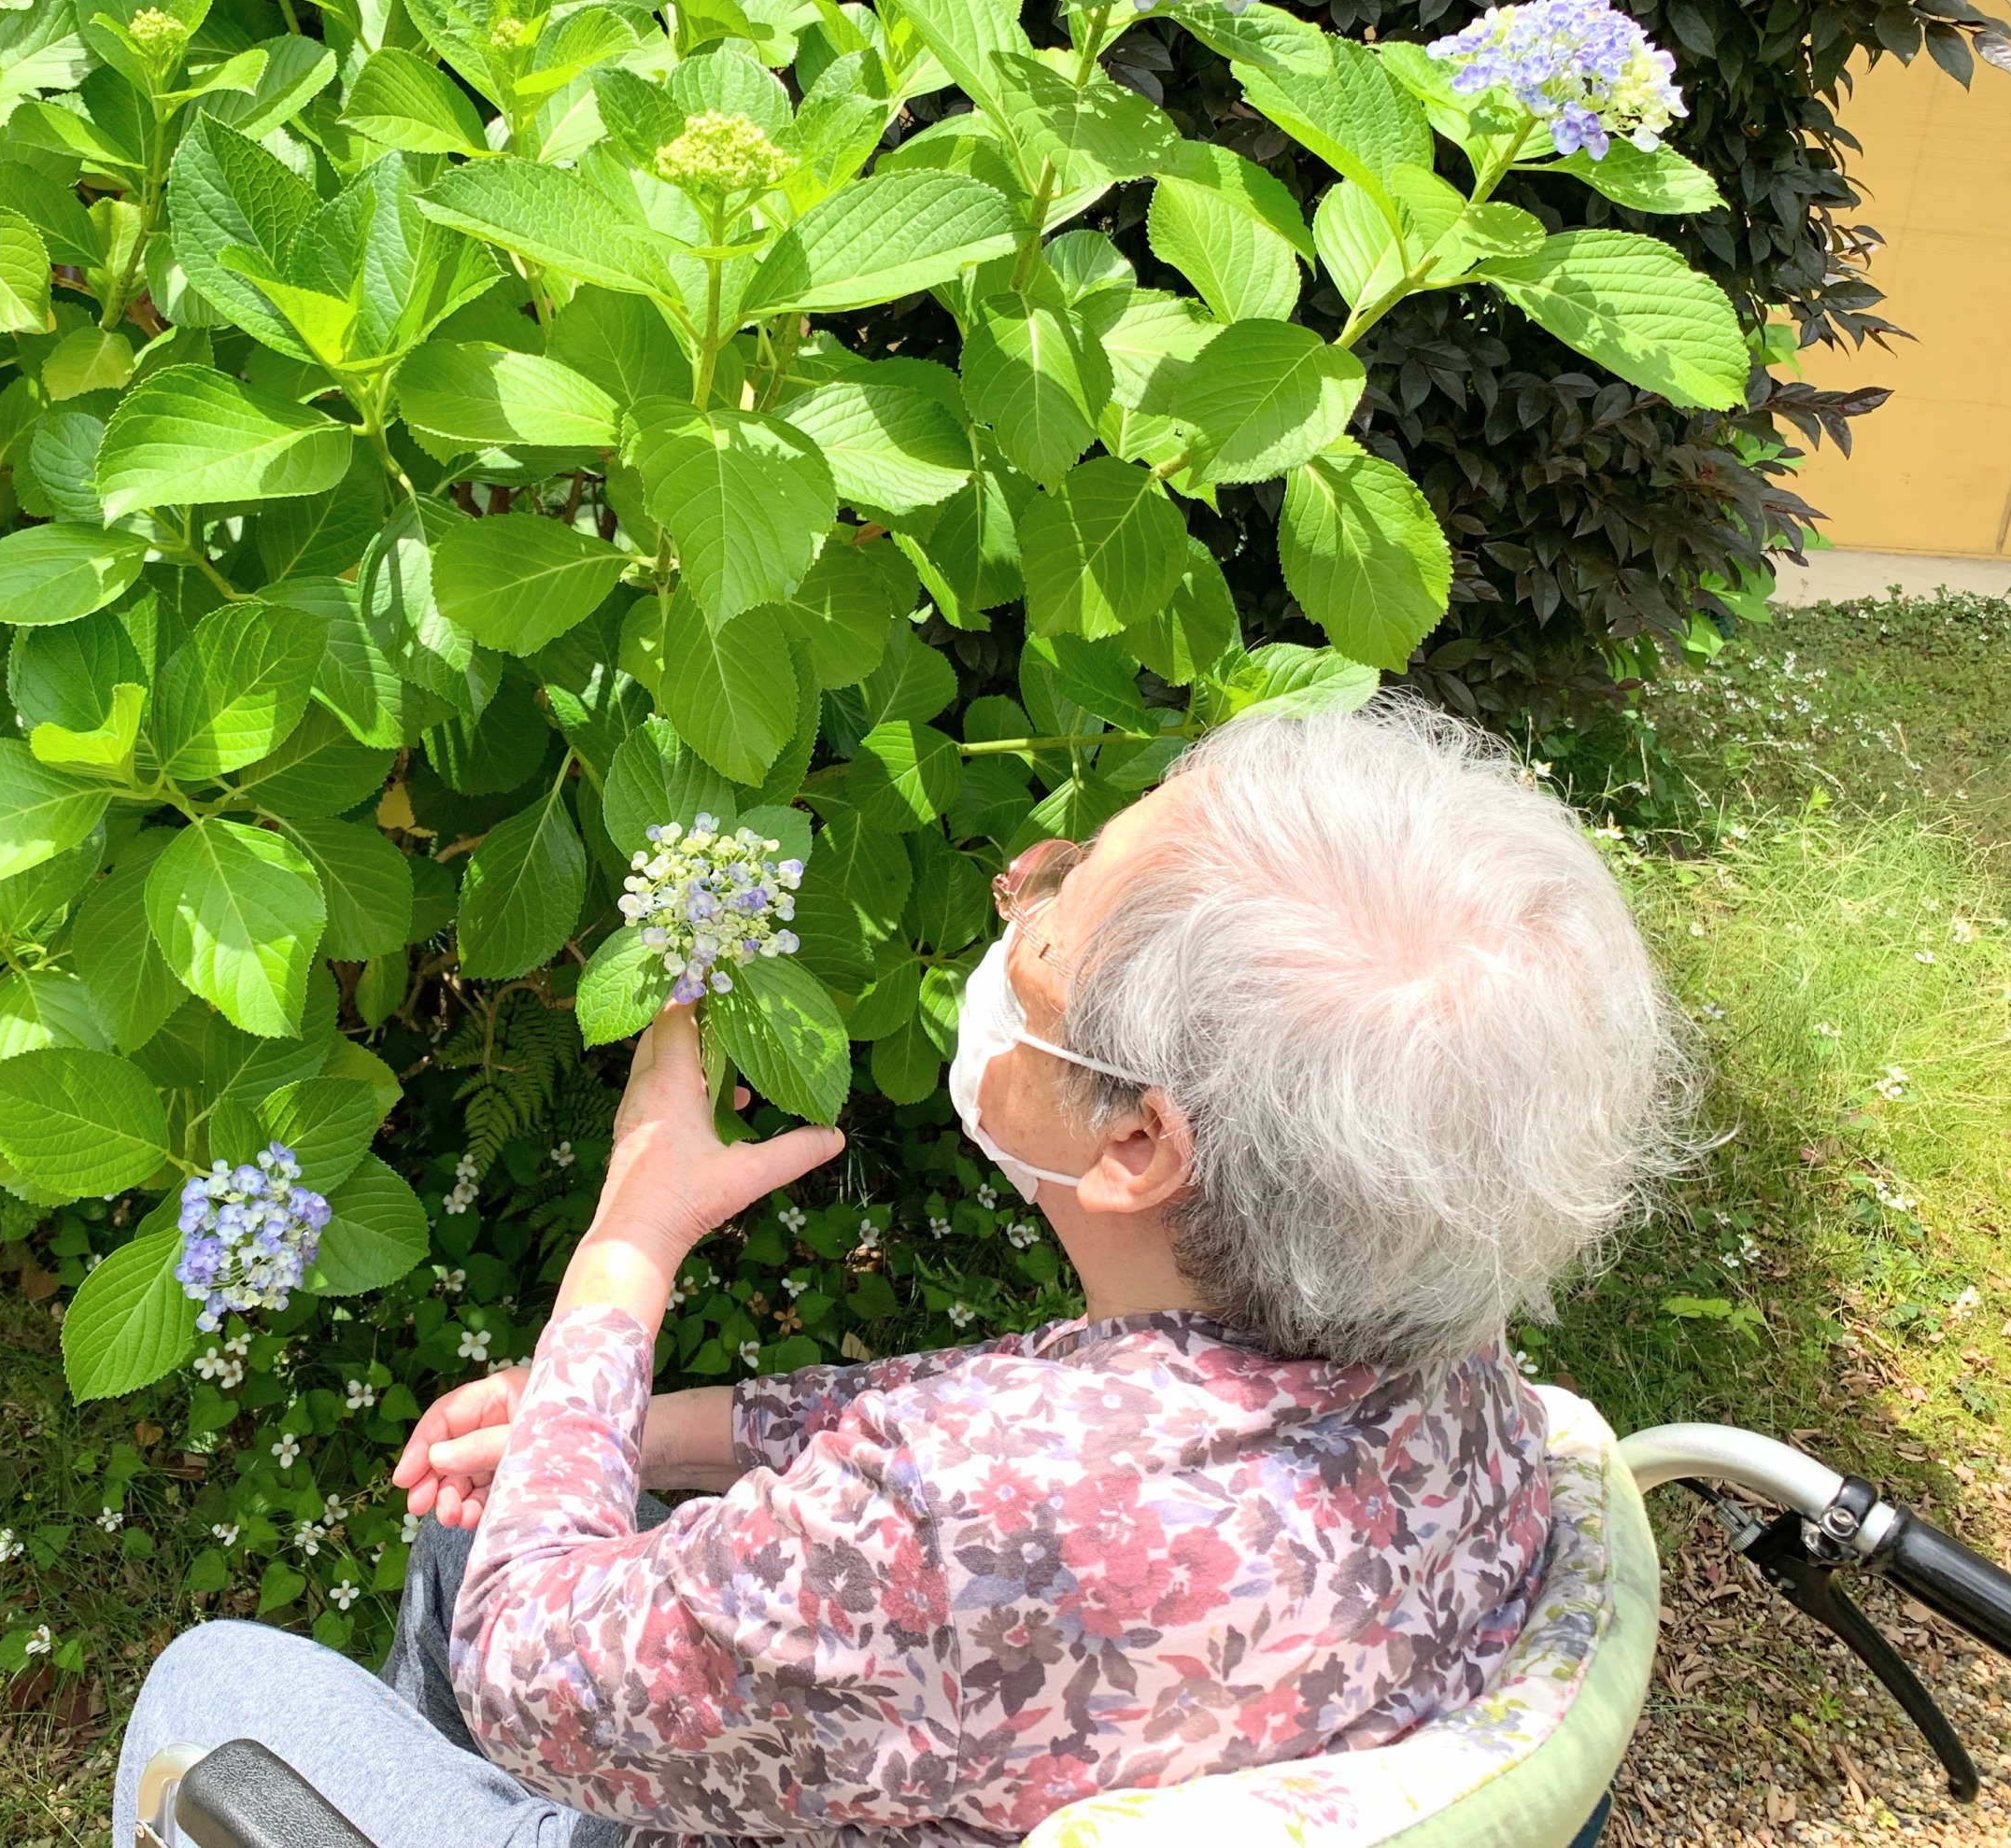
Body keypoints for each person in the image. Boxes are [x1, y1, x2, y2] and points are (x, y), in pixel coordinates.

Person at [113, 700, 1700, 1848]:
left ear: (1140, 1140)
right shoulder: (1448, 1359)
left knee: (218, 1687)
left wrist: (627, 1240)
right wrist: (613, 1421)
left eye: (1051, 923)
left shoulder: (960, 1516)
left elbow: (532, 1663)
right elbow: (1016, 1416)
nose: (1023, 890)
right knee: (491, 1515)